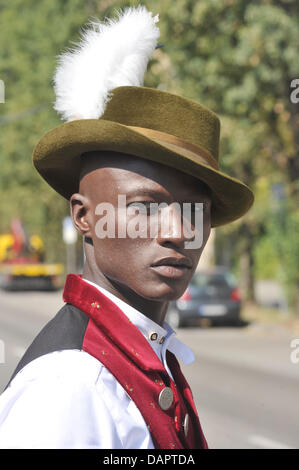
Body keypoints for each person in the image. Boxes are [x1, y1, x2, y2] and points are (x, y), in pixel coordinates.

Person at [0, 6, 253, 449]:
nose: (178, 230)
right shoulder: (72, 385)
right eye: (145, 207)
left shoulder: (139, 352)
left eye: (196, 210)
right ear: (83, 217)